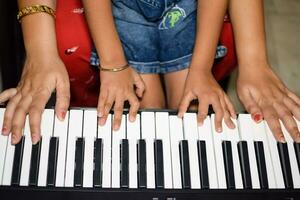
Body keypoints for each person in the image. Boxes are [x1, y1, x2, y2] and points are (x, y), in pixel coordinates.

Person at [0, 0, 299, 146]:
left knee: (194, 126)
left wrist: (202, 68)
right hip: (118, 7)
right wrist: (114, 63)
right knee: (140, 125)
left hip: (188, 7)